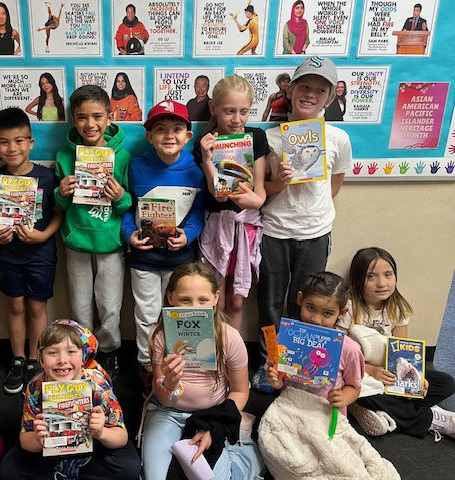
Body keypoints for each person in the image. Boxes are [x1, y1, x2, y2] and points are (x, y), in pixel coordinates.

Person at [254, 56, 352, 393]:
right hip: (274, 231)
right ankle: (269, 363)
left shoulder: (338, 138)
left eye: (319, 90)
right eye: (304, 86)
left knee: (307, 304)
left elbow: (335, 185)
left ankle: (298, 368)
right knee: (269, 303)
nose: (310, 94)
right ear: (290, 90)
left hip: (314, 232)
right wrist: (279, 183)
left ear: (329, 98)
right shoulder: (268, 139)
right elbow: (260, 190)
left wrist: (315, 210)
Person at [258, 272, 400, 480]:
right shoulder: (287, 338)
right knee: (281, 452)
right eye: (311, 308)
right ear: (300, 300)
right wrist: (275, 379)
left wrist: (345, 398)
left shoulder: (349, 349)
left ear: (341, 313)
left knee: (336, 461)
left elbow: (355, 386)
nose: (316, 319)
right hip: (291, 407)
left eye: (327, 313)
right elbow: (281, 382)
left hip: (326, 413)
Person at [141, 262, 263, 480]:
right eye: (185, 300)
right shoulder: (159, 336)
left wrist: (216, 426)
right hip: (167, 411)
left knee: (212, 477)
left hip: (212, 411)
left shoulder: (230, 337)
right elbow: (164, 398)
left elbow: (240, 390)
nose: (193, 308)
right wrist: (169, 383)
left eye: (203, 300)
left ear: (216, 298)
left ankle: (241, 452)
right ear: (170, 297)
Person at [120, 100, 204, 385]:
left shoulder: (197, 171)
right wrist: (128, 234)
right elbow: (125, 209)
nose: (169, 135)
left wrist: (189, 235)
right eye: (160, 129)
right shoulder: (136, 167)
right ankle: (147, 366)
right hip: (143, 258)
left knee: (179, 314)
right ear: (149, 136)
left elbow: (198, 214)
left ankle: (181, 366)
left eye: (177, 129)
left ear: (188, 136)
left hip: (180, 260)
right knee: (146, 315)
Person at [0, 319, 141, 480]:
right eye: (52, 352)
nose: (62, 360)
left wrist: (101, 432)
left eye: (71, 351)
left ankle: (61, 473)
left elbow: (120, 437)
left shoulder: (98, 385)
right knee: (10, 469)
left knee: (129, 467)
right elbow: (25, 439)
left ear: (83, 357)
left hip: (94, 446)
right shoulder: (35, 387)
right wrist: (38, 440)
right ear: (41, 359)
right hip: (50, 448)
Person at [337, 247, 455, 439]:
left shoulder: (397, 307)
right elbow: (340, 354)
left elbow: (402, 351)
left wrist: (416, 377)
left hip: (391, 372)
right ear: (358, 279)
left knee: (446, 383)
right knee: (364, 391)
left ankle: (380, 410)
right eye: (371, 276)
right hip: (360, 372)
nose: (382, 283)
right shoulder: (349, 307)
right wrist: (371, 370)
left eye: (388, 274)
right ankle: (434, 420)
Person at [54, 85, 131, 379]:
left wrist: (121, 196)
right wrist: (61, 193)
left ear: (109, 118)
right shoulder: (64, 155)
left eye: (97, 116)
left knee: (110, 305)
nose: (90, 124)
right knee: (80, 303)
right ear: (74, 120)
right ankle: (84, 350)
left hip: (110, 242)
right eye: (82, 117)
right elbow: (59, 204)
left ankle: (109, 351)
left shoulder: (122, 157)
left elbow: (131, 204)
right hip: (76, 241)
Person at [0, 107, 64, 395]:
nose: (12, 148)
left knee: (37, 306)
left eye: (19, 141)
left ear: (31, 143)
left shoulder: (46, 177)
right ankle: (18, 359)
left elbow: (58, 212)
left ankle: (35, 360)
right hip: (9, 254)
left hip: (40, 253)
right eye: (4, 142)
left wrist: (43, 234)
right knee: (15, 305)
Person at [195, 75, 268, 332]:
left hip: (244, 228)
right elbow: (218, 196)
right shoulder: (205, 141)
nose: (236, 119)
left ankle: (233, 359)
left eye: (243, 111)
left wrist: (252, 200)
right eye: (229, 111)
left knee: (236, 301)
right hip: (216, 225)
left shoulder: (256, 138)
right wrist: (207, 159)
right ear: (214, 108)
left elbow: (259, 193)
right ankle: (212, 357)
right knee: (215, 298)